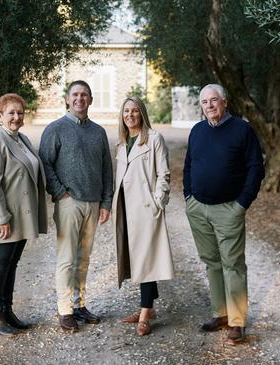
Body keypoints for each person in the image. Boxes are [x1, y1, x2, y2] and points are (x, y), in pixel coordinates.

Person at [183, 84, 265, 344]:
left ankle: (237, 321)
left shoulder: (242, 130)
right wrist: (188, 196)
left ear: (225, 102)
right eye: (205, 102)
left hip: (229, 208)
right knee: (211, 262)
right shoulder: (197, 131)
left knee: (233, 265)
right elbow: (188, 165)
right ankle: (220, 314)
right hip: (198, 209)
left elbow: (256, 168)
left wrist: (242, 203)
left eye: (214, 100)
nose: (209, 105)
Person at [39, 80, 114, 333]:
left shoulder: (99, 132)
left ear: (90, 100)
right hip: (69, 203)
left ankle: (80, 305)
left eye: (84, 95)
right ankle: (65, 310)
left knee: (83, 259)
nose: (80, 99)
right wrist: (61, 194)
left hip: (93, 203)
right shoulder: (56, 129)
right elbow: (45, 165)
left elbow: (106, 169)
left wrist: (106, 202)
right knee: (67, 258)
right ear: (68, 99)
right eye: (75, 95)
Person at [0, 93, 47, 336]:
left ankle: (7, 311)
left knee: (11, 265)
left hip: (21, 217)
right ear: (0, 116)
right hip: (4, 220)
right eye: (11, 113)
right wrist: (1, 218)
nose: (16, 117)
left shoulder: (22, 139)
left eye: (20, 113)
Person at [112, 96, 175, 336]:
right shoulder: (122, 142)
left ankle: (145, 313)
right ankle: (148, 308)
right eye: (126, 111)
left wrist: (157, 202)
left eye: (135, 111)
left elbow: (164, 174)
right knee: (137, 258)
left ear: (142, 114)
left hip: (146, 209)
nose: (130, 115)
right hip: (126, 209)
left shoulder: (154, 139)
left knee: (146, 260)